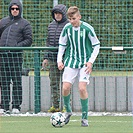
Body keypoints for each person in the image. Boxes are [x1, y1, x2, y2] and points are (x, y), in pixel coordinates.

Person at [57, 6, 100, 126]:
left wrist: (91, 61)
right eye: (70, 19)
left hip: (85, 62)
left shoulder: (87, 28)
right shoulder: (67, 28)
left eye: (74, 18)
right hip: (71, 61)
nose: (72, 21)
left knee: (82, 88)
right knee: (65, 88)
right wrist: (59, 60)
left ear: (79, 17)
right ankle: (68, 112)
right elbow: (62, 44)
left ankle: (85, 117)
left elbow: (96, 45)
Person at [0, 0, 32, 114]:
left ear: (20, 9)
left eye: (17, 8)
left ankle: (16, 106)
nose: (14, 10)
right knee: (3, 82)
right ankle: (3, 106)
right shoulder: (2, 22)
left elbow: (29, 40)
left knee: (17, 81)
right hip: (3, 56)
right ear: (10, 9)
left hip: (16, 56)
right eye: (12, 8)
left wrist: (16, 46)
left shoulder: (25, 23)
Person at [42, 4, 69, 112]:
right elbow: (48, 42)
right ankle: (56, 106)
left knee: (66, 84)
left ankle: (67, 106)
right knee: (54, 83)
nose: (57, 15)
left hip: (66, 59)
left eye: (59, 13)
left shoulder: (69, 25)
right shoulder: (51, 25)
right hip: (53, 59)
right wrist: (46, 57)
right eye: (55, 13)